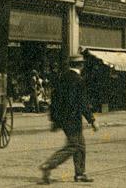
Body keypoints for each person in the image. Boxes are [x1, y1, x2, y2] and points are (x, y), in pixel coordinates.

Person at [39, 55, 97, 184]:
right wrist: (92, 120)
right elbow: (82, 103)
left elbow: (54, 99)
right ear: (81, 65)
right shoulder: (79, 80)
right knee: (73, 145)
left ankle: (80, 173)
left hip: (63, 118)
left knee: (80, 145)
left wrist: (54, 119)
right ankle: (48, 165)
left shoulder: (61, 78)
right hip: (73, 118)